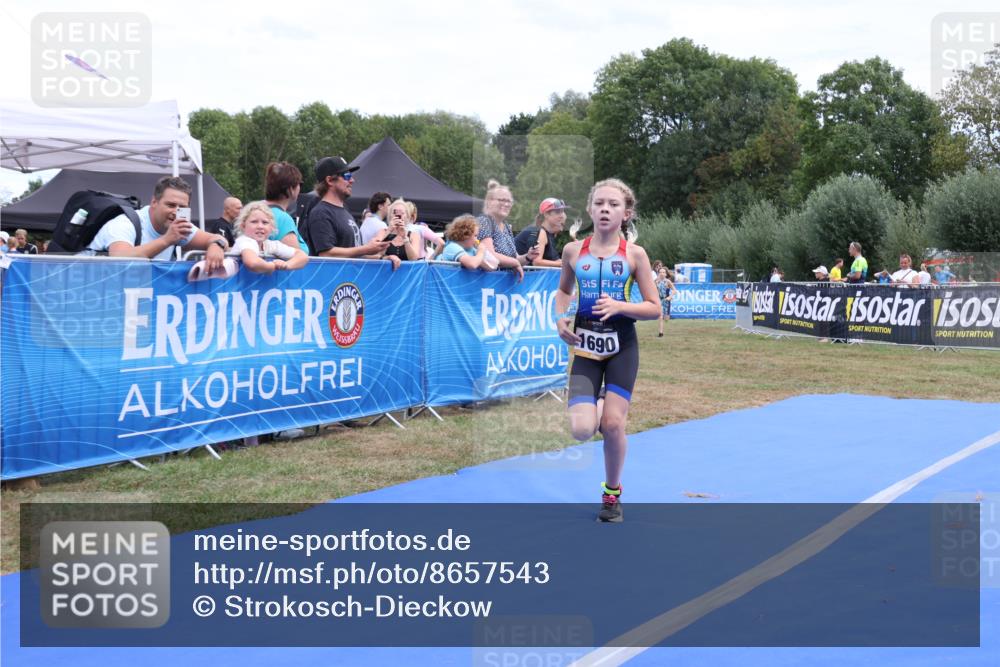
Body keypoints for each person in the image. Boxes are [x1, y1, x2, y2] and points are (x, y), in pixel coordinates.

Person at [555, 178, 660, 523]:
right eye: (599, 203)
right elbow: (564, 293)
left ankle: (612, 494)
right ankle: (598, 400)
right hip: (586, 350)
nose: (605, 209)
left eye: (613, 205)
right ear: (589, 209)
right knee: (582, 430)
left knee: (613, 424)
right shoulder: (573, 252)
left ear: (626, 214)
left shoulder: (634, 255)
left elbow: (654, 307)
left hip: (621, 349)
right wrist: (560, 320)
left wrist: (619, 306)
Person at [83, 176, 228, 273]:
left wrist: (216, 246)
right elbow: (120, 258)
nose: (175, 212)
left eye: (182, 207)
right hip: (87, 289)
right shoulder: (125, 223)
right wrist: (167, 240)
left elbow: (217, 239)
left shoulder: (179, 227)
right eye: (170, 205)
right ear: (154, 202)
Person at [299, 156, 393, 266]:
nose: (352, 180)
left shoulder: (345, 211)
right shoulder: (321, 213)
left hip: (350, 281)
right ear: (329, 180)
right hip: (334, 282)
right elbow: (327, 254)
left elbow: (353, 252)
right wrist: (365, 249)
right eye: (347, 176)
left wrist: (382, 258)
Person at [476, 179, 539, 280]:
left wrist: (528, 257)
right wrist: (515, 263)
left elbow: (514, 258)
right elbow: (489, 255)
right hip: (487, 284)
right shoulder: (484, 222)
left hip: (504, 288)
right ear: (489, 202)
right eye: (501, 200)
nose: (506, 204)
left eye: (509, 201)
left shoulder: (506, 227)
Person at [232, 201, 308, 274]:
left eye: (265, 222)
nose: (260, 226)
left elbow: (302, 256)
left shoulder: (271, 245)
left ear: (271, 227)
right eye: (254, 222)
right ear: (243, 226)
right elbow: (252, 263)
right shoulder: (244, 241)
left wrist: (286, 265)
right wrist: (272, 266)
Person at [264, 161, 309, 253]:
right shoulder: (283, 219)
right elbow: (294, 259)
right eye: (299, 184)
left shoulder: (253, 211)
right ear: (291, 189)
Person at [514, 197, 568, 268]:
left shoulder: (548, 233)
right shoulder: (540, 232)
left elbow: (555, 260)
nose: (562, 216)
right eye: (557, 212)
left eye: (562, 211)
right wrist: (563, 264)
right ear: (546, 214)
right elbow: (536, 262)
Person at [655, 267, 675, 337]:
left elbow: (674, 290)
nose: (662, 274)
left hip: (666, 300)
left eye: (663, 272)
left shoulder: (668, 281)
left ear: (666, 274)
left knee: (666, 318)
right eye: (660, 272)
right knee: (660, 317)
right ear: (658, 273)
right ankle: (661, 333)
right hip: (659, 300)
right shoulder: (656, 281)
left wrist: (670, 297)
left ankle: (666, 318)